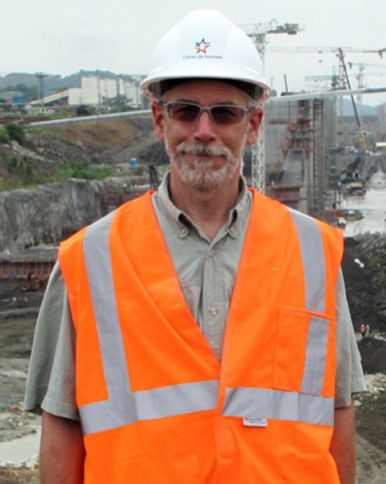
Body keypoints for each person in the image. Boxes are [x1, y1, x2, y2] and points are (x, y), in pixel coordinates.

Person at [24, 9, 366, 484]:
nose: (204, 131)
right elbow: (62, 421)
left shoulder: (313, 251)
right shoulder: (90, 258)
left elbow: (338, 409)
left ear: (253, 125)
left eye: (224, 113)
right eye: (186, 110)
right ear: (159, 120)